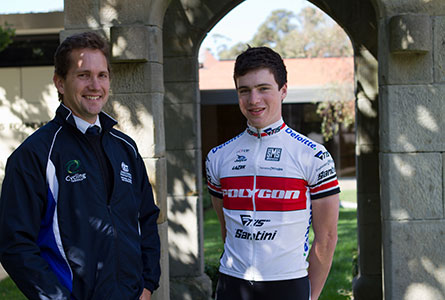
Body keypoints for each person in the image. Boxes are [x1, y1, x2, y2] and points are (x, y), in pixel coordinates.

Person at [0, 32, 160, 300]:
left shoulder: (125, 148)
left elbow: (146, 219)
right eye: (83, 75)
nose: (95, 85)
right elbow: (15, 245)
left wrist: (146, 285)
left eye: (102, 75)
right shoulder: (35, 155)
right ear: (60, 83)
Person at [205, 46, 340, 300]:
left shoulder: (313, 156)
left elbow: (327, 237)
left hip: (288, 285)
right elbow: (227, 229)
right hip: (232, 285)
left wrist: (310, 296)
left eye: (263, 88)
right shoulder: (218, 157)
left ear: (283, 90)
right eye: (244, 90)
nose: (253, 100)